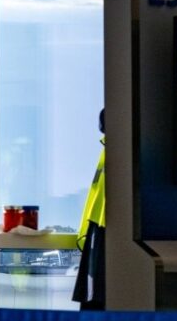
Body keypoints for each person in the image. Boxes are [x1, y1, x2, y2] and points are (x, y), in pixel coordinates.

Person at [73, 109, 106, 310]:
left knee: (97, 300)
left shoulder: (115, 153)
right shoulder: (108, 152)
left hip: (102, 230)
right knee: (95, 300)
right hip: (98, 228)